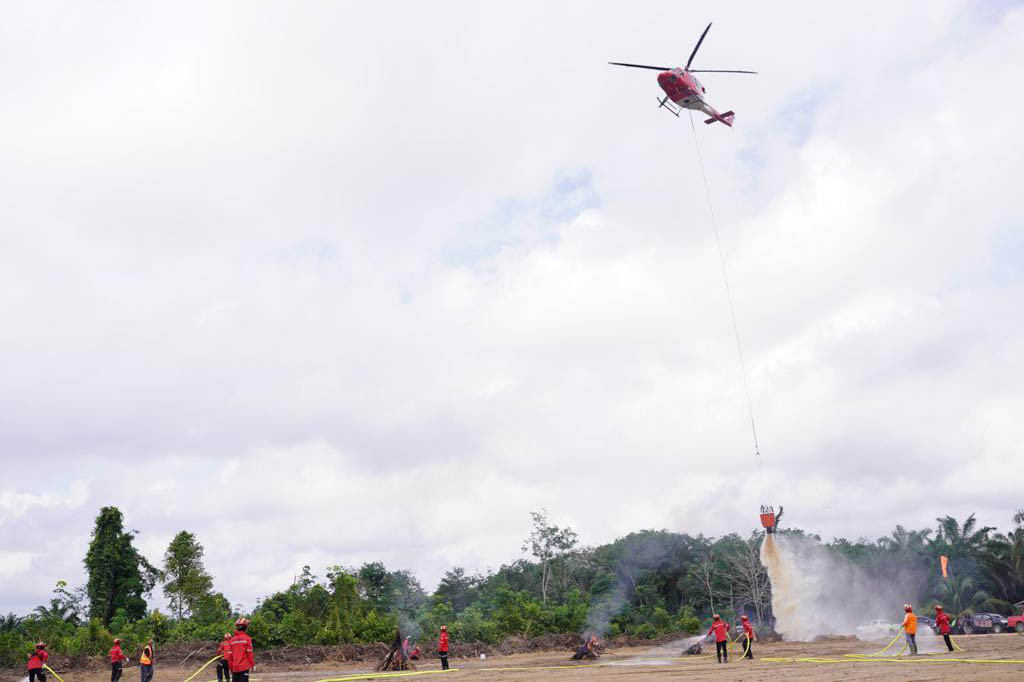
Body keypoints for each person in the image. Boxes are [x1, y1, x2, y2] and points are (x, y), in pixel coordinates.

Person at [228, 618, 255, 682]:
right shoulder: (247, 639)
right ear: (245, 627)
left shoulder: (231, 640)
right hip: (244, 667)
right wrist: (252, 665)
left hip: (235, 668)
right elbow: (250, 654)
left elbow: (229, 657)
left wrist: (231, 668)